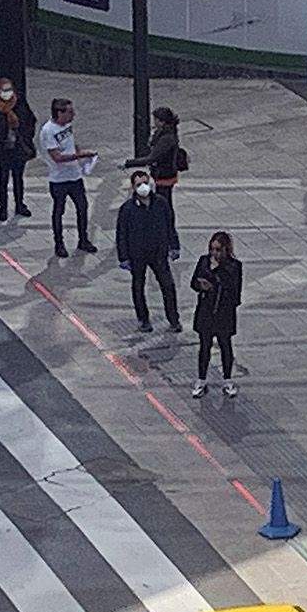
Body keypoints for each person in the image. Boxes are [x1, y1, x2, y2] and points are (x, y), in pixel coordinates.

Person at [115, 170, 181, 334]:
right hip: (137, 255)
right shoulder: (127, 209)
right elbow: (121, 234)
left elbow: (170, 224)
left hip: (158, 252)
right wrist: (123, 257)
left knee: (168, 286)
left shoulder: (160, 203)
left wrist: (174, 245)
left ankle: (173, 319)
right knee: (138, 287)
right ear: (133, 187)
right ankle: (143, 319)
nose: (143, 187)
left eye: (145, 182)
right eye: (138, 184)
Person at [41, 98, 98, 258]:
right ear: (59, 113)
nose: (73, 115)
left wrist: (81, 154)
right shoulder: (48, 131)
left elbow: (71, 143)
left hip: (75, 176)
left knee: (82, 207)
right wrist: (79, 155)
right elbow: (56, 157)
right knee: (59, 210)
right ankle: (59, 243)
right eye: (70, 112)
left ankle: (83, 239)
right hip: (59, 178)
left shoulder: (67, 125)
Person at [189, 231, 243, 398]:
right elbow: (193, 283)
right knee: (204, 346)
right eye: (212, 249)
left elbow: (235, 294)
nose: (214, 253)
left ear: (226, 249)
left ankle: (227, 379)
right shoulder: (204, 261)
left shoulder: (234, 266)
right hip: (206, 311)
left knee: (225, 346)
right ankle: (201, 379)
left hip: (223, 313)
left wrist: (215, 284)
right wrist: (201, 285)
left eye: (218, 250)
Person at [0, 78, 37, 223]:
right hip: (2, 150)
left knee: (18, 178)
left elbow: (31, 120)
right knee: (3, 179)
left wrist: (25, 135)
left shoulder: (20, 103)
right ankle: (3, 208)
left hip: (18, 148)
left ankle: (19, 205)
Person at [124, 106, 188, 232]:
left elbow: (152, 157)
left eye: (156, 120)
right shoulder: (164, 133)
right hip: (162, 174)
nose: (154, 122)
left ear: (162, 121)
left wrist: (129, 163)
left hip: (165, 175)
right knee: (163, 201)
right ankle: (165, 226)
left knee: (164, 203)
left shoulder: (167, 138)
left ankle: (167, 228)